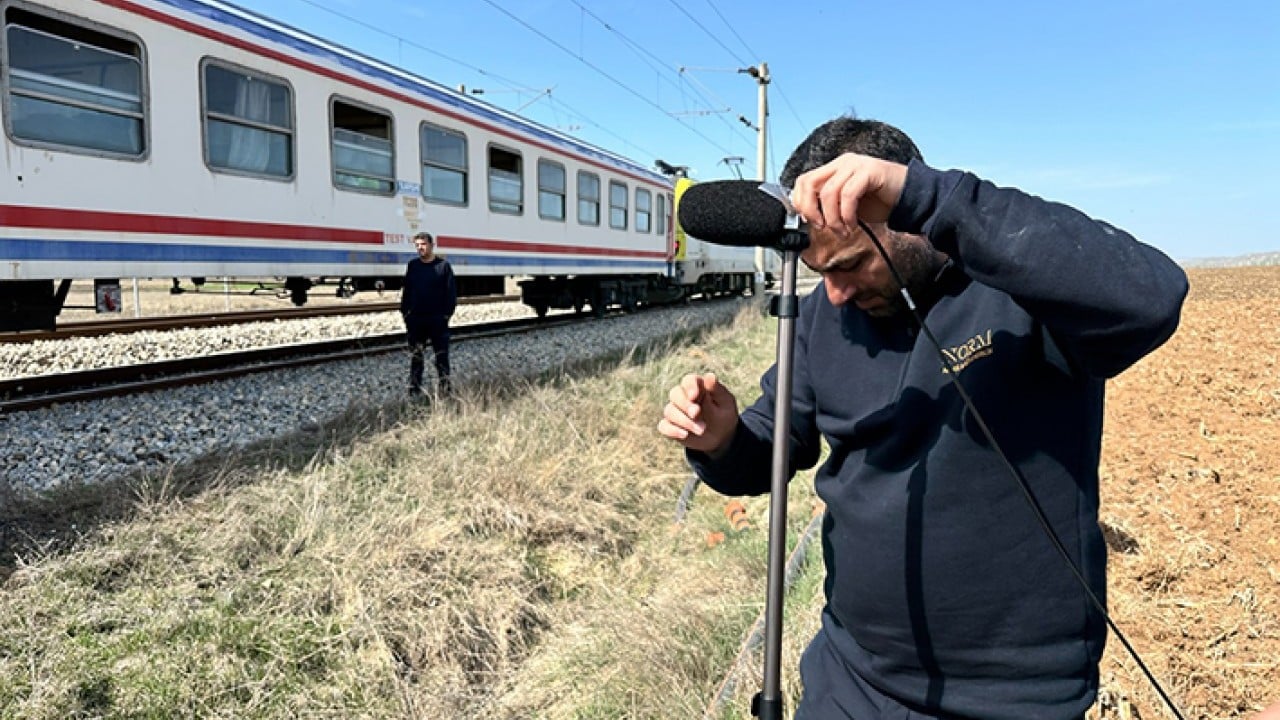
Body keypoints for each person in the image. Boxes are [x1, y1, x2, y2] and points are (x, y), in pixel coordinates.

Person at [657, 117, 1189, 719]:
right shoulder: (818, 322)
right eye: (820, 272)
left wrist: (931, 195)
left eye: (851, 265)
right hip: (852, 676)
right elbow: (772, 446)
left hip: (1012, 697)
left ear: (902, 216)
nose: (834, 293)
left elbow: (1152, 298)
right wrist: (722, 439)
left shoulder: (1024, 289)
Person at [400, 231, 457, 396]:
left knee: (441, 356)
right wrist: (405, 313)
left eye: (423, 244)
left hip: (437, 320)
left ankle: (445, 388)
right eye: (417, 245)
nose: (420, 248)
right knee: (416, 356)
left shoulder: (443, 266)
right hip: (416, 320)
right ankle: (415, 388)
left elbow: (451, 293)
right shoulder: (413, 266)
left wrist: (446, 315)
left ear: (432, 245)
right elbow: (407, 291)